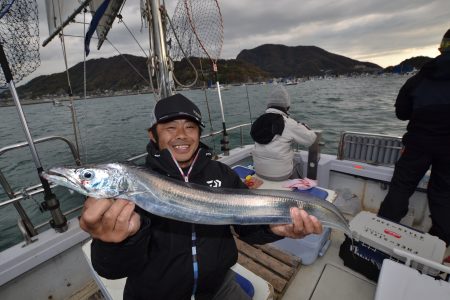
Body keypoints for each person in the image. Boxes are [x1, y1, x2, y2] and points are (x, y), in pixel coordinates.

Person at [79, 93, 323, 300]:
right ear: (153, 135)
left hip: (219, 286)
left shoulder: (223, 174)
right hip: (154, 292)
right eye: (170, 127)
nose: (182, 135)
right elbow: (110, 270)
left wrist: (274, 230)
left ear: (199, 133)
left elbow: (247, 230)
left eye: (190, 127)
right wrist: (114, 242)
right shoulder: (130, 187)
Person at [378, 29, 450, 246]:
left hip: (418, 142)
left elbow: (401, 113)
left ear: (442, 46)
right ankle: (441, 245)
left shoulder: (419, 78)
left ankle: (382, 232)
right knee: (444, 194)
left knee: (401, 186)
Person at [251, 85, 317, 181]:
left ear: (268, 105)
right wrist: (304, 126)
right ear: (287, 106)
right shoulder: (289, 123)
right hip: (279, 175)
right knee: (296, 163)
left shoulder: (258, 121)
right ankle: (294, 188)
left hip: (258, 171)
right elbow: (310, 139)